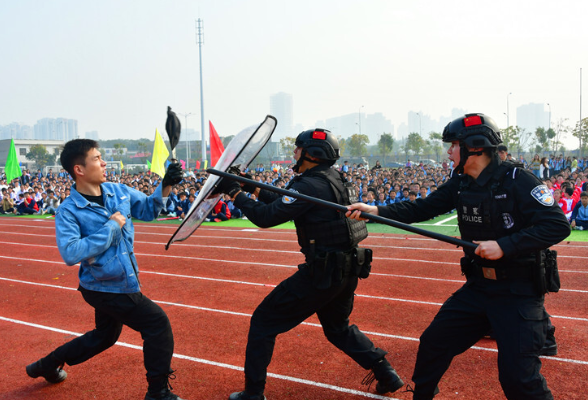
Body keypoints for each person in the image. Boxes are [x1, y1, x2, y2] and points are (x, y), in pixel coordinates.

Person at [347, 113, 570, 400]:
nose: (449, 152)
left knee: (519, 378)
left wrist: (505, 246)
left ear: (474, 147)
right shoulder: (461, 182)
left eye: (453, 145)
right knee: (433, 343)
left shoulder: (519, 180)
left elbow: (557, 225)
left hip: (518, 292)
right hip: (479, 288)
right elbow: (422, 208)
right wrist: (376, 211)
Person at [217, 129, 403, 400]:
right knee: (339, 329)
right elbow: (286, 204)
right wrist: (249, 186)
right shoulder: (333, 179)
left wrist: (234, 192)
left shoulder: (308, 184)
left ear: (311, 155)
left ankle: (253, 394)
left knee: (263, 322)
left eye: (298, 148)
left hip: (323, 272)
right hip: (348, 268)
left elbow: (266, 217)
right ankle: (386, 373)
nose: (294, 153)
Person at [25, 139, 186, 400]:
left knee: (104, 336)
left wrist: (166, 183)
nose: (103, 163)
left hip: (118, 281)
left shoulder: (118, 191)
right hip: (104, 287)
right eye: (97, 158)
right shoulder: (69, 211)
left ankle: (46, 365)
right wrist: (112, 227)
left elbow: (149, 209)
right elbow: (71, 252)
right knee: (157, 323)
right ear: (79, 169)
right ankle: (157, 392)